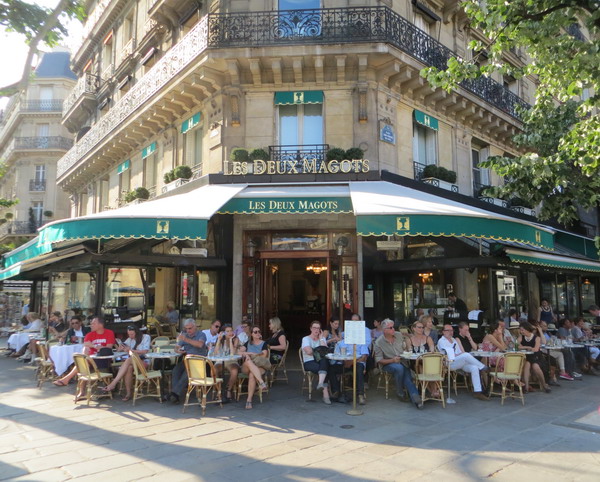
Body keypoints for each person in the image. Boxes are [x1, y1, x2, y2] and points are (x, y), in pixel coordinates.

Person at [373, 319, 423, 409]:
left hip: (403, 361)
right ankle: (400, 391)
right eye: (391, 328)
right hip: (387, 364)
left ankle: (416, 399)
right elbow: (379, 360)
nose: (393, 329)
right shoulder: (378, 342)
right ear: (384, 330)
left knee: (407, 377)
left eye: (394, 327)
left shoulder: (398, 335)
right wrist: (392, 360)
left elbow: (409, 337)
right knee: (399, 368)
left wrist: (408, 347)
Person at [437, 324, 489, 401]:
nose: (450, 332)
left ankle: (477, 392)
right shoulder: (441, 341)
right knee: (466, 355)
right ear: (443, 332)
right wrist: (461, 355)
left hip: (458, 361)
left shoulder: (454, 340)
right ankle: (483, 367)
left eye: (451, 330)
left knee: (474, 368)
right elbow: (448, 353)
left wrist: (461, 355)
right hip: (449, 363)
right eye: (448, 330)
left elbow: (459, 352)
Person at [101, 325, 151, 401]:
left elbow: (145, 351)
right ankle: (128, 393)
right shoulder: (129, 339)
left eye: (132, 334)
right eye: (129, 334)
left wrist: (130, 350)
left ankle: (113, 384)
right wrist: (120, 348)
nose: (130, 336)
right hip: (133, 362)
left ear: (137, 332)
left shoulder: (146, 337)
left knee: (128, 360)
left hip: (144, 361)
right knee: (129, 368)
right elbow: (119, 350)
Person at [165, 318, 207, 404]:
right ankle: (175, 395)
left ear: (195, 327)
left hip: (197, 361)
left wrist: (185, 339)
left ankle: (174, 394)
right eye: (186, 328)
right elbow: (176, 347)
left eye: (190, 328)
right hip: (186, 360)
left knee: (186, 373)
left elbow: (200, 344)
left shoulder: (201, 334)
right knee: (176, 370)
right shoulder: (184, 335)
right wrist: (178, 350)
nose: (188, 330)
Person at [327, 336, 369, 405]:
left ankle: (360, 395)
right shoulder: (340, 343)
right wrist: (344, 361)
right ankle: (336, 391)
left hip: (357, 363)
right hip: (344, 363)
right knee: (331, 369)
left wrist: (352, 362)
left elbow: (364, 357)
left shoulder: (361, 342)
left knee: (359, 368)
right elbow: (336, 355)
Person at [301, 321, 332, 405]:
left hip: (320, 362)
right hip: (309, 362)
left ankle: (320, 383)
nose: (316, 330)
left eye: (318, 328)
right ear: (311, 328)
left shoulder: (322, 339)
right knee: (325, 367)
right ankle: (326, 394)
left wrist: (321, 338)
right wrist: (319, 350)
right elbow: (309, 352)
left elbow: (325, 352)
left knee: (324, 361)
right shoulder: (306, 339)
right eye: (314, 328)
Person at [239, 326, 270, 409]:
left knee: (252, 375)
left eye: (259, 331)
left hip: (259, 366)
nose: (258, 333)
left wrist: (248, 354)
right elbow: (239, 352)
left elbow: (264, 355)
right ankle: (261, 381)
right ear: (251, 334)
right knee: (248, 361)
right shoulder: (248, 343)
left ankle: (249, 400)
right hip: (247, 366)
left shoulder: (264, 343)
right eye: (255, 332)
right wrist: (250, 354)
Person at [518, 321, 551, 393]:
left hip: (536, 356)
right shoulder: (521, 337)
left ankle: (544, 384)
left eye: (522, 330)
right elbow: (517, 346)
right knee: (527, 365)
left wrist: (524, 347)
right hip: (527, 356)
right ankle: (526, 387)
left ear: (527, 329)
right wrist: (528, 347)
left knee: (535, 366)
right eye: (520, 330)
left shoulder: (536, 338)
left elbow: (536, 349)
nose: (521, 331)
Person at [214, 324, 240, 403]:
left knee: (234, 371)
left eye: (231, 330)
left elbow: (232, 353)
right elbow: (215, 353)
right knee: (213, 370)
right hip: (220, 361)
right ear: (223, 332)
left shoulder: (235, 339)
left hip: (231, 361)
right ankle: (218, 391)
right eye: (227, 331)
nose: (230, 333)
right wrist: (219, 340)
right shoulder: (220, 339)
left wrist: (231, 341)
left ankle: (228, 389)